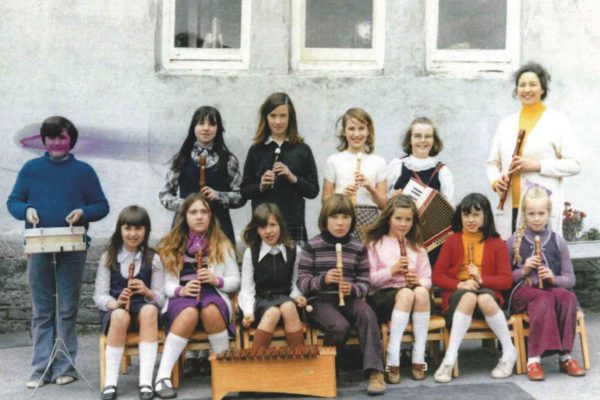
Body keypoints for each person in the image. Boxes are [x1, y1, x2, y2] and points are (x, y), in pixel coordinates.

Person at [6, 116, 109, 388]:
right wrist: (25, 210)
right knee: (42, 311)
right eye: (50, 138)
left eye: (61, 137)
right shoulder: (31, 169)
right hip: (39, 247)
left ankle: (65, 366)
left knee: (66, 308)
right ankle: (40, 369)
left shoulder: (84, 172)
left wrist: (84, 212)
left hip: (72, 247)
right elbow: (14, 201)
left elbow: (101, 205)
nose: (56, 143)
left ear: (70, 140)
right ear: (44, 140)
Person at [152, 193, 240, 399]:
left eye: (204, 212)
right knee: (189, 313)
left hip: (213, 293)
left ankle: (223, 371)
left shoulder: (221, 243)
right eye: (193, 212)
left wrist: (216, 280)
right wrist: (180, 290)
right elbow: (164, 283)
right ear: (185, 216)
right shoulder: (171, 244)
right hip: (182, 295)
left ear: (210, 216)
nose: (199, 217)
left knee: (211, 311)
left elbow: (235, 280)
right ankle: (162, 376)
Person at [297, 194, 385, 395]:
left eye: (345, 217)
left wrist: (352, 289)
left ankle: (375, 372)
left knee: (367, 314)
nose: (340, 223)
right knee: (339, 326)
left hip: (349, 298)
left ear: (352, 220)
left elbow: (365, 282)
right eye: (335, 217)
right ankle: (329, 371)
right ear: (325, 219)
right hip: (320, 301)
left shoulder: (357, 247)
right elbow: (302, 281)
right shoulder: (312, 246)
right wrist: (323, 279)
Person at [486, 62, 581, 238]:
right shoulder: (506, 123)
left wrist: (537, 165)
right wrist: (495, 181)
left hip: (540, 210)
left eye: (532, 84)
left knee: (540, 261)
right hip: (508, 207)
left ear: (542, 89)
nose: (526, 89)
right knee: (511, 260)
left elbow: (574, 164)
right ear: (516, 89)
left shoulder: (558, 121)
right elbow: (493, 163)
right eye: (522, 85)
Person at [432, 193, 517, 383]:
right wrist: (459, 284)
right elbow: (437, 276)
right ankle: (450, 358)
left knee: (484, 297)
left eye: (476, 215)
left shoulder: (496, 243)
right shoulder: (452, 241)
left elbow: (506, 281)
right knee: (469, 296)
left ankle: (509, 352)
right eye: (466, 215)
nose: (470, 220)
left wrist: (481, 279)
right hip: (458, 297)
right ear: (460, 217)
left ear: (486, 216)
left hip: (486, 296)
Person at [506, 186, 585, 381]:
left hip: (550, 290)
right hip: (522, 293)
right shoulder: (512, 241)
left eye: (541, 213)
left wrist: (553, 278)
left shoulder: (558, 241)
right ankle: (534, 359)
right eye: (531, 213)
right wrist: (523, 271)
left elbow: (570, 279)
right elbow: (504, 279)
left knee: (567, 297)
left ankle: (565, 356)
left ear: (549, 213)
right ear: (524, 214)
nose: (536, 218)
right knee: (543, 299)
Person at [94, 206, 165, 400]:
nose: (133, 234)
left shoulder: (153, 258)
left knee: (150, 311)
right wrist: (115, 303)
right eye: (127, 228)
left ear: (146, 231)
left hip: (143, 313)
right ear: (120, 230)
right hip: (117, 313)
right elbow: (99, 296)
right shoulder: (109, 256)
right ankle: (110, 382)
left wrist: (147, 291)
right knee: (119, 315)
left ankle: (145, 382)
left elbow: (161, 298)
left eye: (138, 229)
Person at [364, 194, 431, 383]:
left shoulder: (416, 246)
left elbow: (427, 278)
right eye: (398, 219)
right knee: (407, 294)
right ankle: (393, 357)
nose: (403, 224)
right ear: (388, 219)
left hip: (413, 299)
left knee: (419, 292)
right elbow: (369, 280)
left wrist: (417, 280)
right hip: (383, 297)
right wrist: (392, 271)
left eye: (408, 219)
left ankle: (419, 357)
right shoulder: (375, 244)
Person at [241, 92, 319, 244]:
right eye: (273, 115)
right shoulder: (256, 150)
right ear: (266, 117)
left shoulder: (302, 150)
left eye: (283, 116)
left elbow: (313, 191)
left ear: (291, 118)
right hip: (263, 225)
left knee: (294, 267)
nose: (278, 121)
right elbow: (244, 191)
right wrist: (261, 186)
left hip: (292, 223)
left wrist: (293, 178)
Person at [159, 105, 244, 244]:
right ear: (193, 127)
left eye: (212, 124)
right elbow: (164, 194)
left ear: (218, 129)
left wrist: (219, 196)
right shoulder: (181, 158)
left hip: (219, 229)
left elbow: (241, 196)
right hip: (184, 229)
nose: (206, 128)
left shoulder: (228, 160)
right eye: (201, 123)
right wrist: (187, 206)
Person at [385, 117, 454, 265]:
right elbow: (383, 201)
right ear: (409, 140)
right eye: (417, 136)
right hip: (401, 234)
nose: (423, 140)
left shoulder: (443, 171)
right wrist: (392, 199)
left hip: (431, 239)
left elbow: (448, 209)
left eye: (428, 136)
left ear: (434, 141)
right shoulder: (397, 165)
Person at [238, 203, 307, 348]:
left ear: (280, 225)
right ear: (256, 230)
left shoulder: (294, 251)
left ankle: (299, 360)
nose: (268, 231)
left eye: (272, 225)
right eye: (263, 227)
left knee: (288, 306)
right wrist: (248, 312)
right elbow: (247, 289)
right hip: (260, 303)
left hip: (287, 303)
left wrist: (297, 296)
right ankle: (255, 364)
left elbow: (296, 283)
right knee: (273, 312)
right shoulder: (251, 253)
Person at [322, 107, 387, 239]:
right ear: (344, 132)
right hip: (341, 216)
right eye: (351, 129)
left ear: (368, 131)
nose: (356, 134)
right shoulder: (334, 160)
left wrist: (371, 189)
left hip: (369, 219)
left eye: (361, 128)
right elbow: (324, 201)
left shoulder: (379, 162)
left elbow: (384, 205)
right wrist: (340, 195)